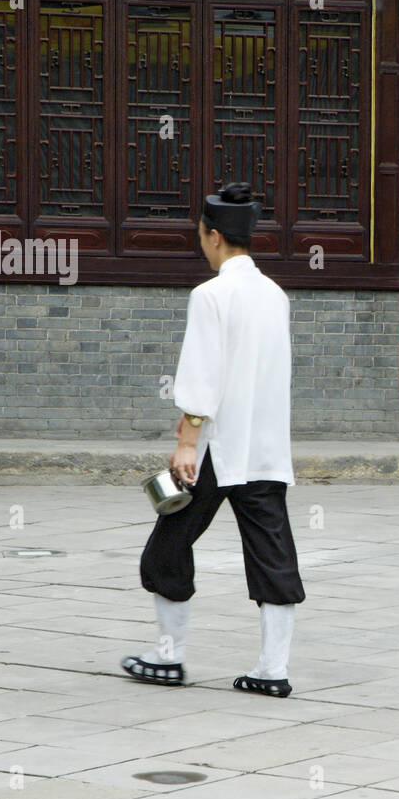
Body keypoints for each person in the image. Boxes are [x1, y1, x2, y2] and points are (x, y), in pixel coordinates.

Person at [121, 181, 305, 698]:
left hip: (216, 452)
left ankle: (169, 658)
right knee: (273, 555)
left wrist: (186, 442)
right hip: (265, 449)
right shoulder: (275, 294)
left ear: (214, 235)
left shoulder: (210, 295)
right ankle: (272, 670)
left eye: (201, 236)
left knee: (167, 548)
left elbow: (202, 377)